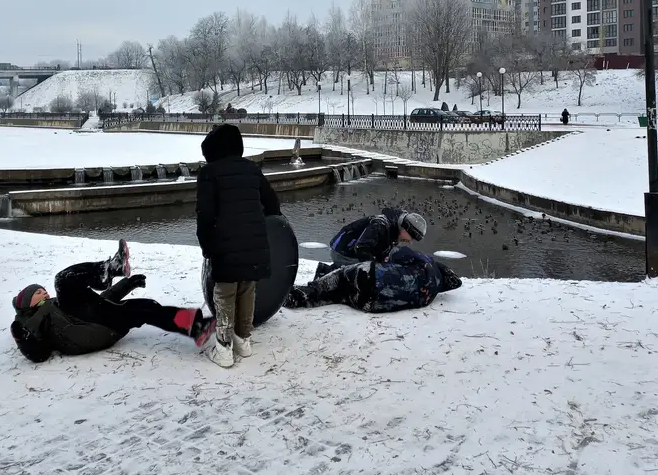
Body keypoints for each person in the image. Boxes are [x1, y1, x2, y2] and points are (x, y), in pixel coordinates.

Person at [10, 240, 216, 362]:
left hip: (97, 324)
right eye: (39, 292)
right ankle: (110, 269)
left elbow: (98, 302)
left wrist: (127, 285)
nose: (44, 293)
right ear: (27, 300)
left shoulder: (55, 305)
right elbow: (39, 355)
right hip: (85, 333)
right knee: (62, 280)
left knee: (146, 307)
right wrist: (22, 339)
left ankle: (195, 327)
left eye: (43, 291)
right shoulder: (30, 321)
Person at [196, 123, 280, 369]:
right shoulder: (252, 170)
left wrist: (207, 246)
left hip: (224, 245)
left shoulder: (209, 173)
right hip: (255, 244)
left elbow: (205, 215)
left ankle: (223, 348)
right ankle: (243, 341)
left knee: (224, 292)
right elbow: (273, 205)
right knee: (247, 288)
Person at [284, 245, 462, 314]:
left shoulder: (427, 262)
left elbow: (395, 253)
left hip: (370, 276)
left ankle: (302, 293)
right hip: (371, 304)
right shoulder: (429, 296)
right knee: (340, 295)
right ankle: (305, 299)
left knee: (338, 279)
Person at [324, 207, 427, 273]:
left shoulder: (395, 230)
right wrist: (375, 265)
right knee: (367, 274)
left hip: (353, 250)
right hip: (342, 252)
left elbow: (382, 250)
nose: (411, 241)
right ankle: (330, 271)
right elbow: (360, 248)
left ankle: (335, 269)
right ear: (405, 229)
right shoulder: (379, 225)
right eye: (411, 237)